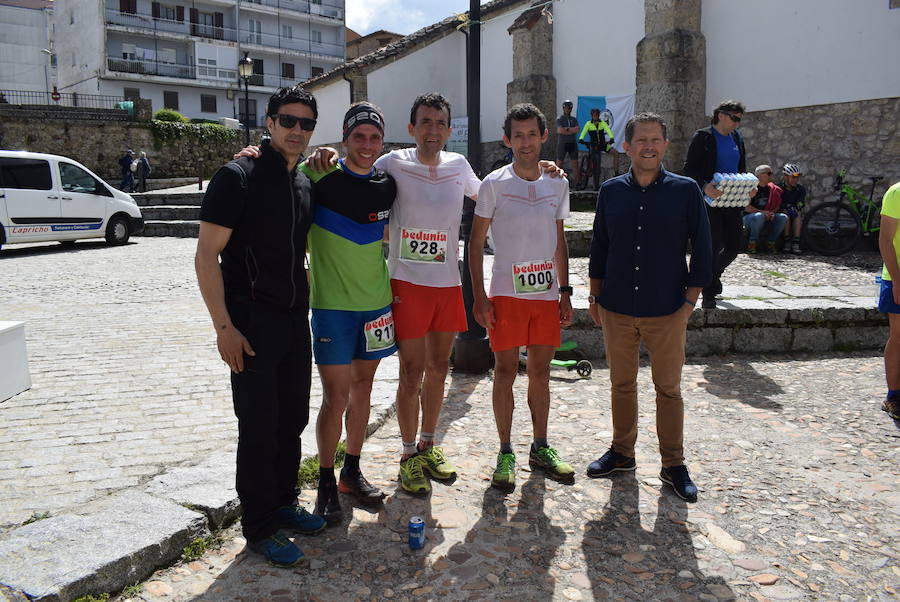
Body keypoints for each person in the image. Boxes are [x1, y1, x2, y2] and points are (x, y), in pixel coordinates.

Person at [195, 85, 325, 568]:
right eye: (287, 120)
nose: (297, 130)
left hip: (294, 320)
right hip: (250, 323)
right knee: (257, 426)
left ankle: (285, 503)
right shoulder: (237, 177)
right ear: (268, 123)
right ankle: (259, 526)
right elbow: (206, 255)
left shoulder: (304, 182)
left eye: (306, 123)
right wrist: (223, 327)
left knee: (291, 419)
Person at [586, 112, 712, 503]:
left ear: (665, 145)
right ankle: (622, 452)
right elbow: (600, 246)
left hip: (667, 307)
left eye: (656, 139)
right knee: (621, 384)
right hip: (618, 305)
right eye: (641, 140)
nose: (649, 146)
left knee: (668, 389)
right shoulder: (611, 191)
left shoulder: (685, 190)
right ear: (627, 146)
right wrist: (594, 296)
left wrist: (689, 302)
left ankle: (673, 463)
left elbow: (703, 248)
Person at [299, 102, 398, 523]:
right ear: (344, 137)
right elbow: (281, 173)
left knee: (364, 392)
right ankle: (324, 480)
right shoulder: (318, 173)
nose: (367, 145)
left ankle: (351, 471)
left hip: (376, 304)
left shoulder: (386, 184)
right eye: (359, 136)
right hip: (331, 307)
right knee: (335, 397)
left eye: (375, 138)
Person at [469, 103, 575, 490]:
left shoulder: (557, 183)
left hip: (545, 295)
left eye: (532, 134)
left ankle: (541, 446)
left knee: (541, 373)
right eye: (518, 135)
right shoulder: (494, 184)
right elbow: (476, 243)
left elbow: (559, 241)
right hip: (505, 295)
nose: (525, 141)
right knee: (504, 372)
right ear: (507, 139)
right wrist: (479, 297)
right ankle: (505, 451)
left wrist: (565, 291)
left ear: (544, 136)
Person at [683, 99, 747, 309]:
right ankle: (708, 294)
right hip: (710, 201)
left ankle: (712, 277)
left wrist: (750, 186)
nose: (737, 123)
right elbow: (690, 169)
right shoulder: (704, 137)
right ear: (720, 115)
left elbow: (742, 169)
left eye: (739, 119)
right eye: (734, 118)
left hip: (733, 199)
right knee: (713, 245)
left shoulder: (737, 138)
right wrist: (704, 186)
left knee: (735, 246)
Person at [878, 181, 900, 421]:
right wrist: (897, 280)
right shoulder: (896, 193)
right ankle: (894, 396)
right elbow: (885, 240)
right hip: (897, 275)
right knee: (899, 335)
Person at [743, 165, 788, 254]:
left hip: (766, 215)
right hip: (749, 218)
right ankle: (752, 243)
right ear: (759, 175)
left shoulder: (772, 189)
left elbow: (777, 205)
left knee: (783, 217)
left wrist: (771, 213)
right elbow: (746, 207)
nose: (771, 176)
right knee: (759, 216)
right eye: (769, 173)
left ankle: (770, 243)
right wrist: (763, 213)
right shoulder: (751, 188)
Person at [578, 108, 619, 190]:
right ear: (591, 116)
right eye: (594, 115)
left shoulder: (603, 123)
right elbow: (583, 133)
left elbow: (608, 131)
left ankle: (616, 173)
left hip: (602, 144)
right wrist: (581, 139)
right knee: (596, 164)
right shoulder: (588, 124)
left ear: (598, 115)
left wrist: (611, 138)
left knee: (615, 153)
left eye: (596, 115)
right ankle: (594, 183)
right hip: (593, 145)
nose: (595, 117)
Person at [779, 163, 807, 254]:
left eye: (798, 177)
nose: (796, 180)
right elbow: (777, 202)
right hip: (782, 211)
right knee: (785, 213)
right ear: (786, 177)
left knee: (798, 214)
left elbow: (801, 201)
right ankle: (787, 242)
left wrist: (797, 206)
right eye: (793, 177)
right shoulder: (779, 188)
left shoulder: (800, 189)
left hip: (794, 211)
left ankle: (796, 243)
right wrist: (787, 206)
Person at [556, 100, 580, 188]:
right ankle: (557, 183)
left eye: (570, 108)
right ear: (563, 108)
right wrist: (571, 130)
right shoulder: (560, 119)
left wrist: (566, 130)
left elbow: (577, 129)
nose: (568, 110)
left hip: (572, 144)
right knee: (559, 164)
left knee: (575, 164)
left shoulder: (574, 119)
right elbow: (559, 130)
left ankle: (577, 183)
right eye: (566, 108)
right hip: (562, 144)